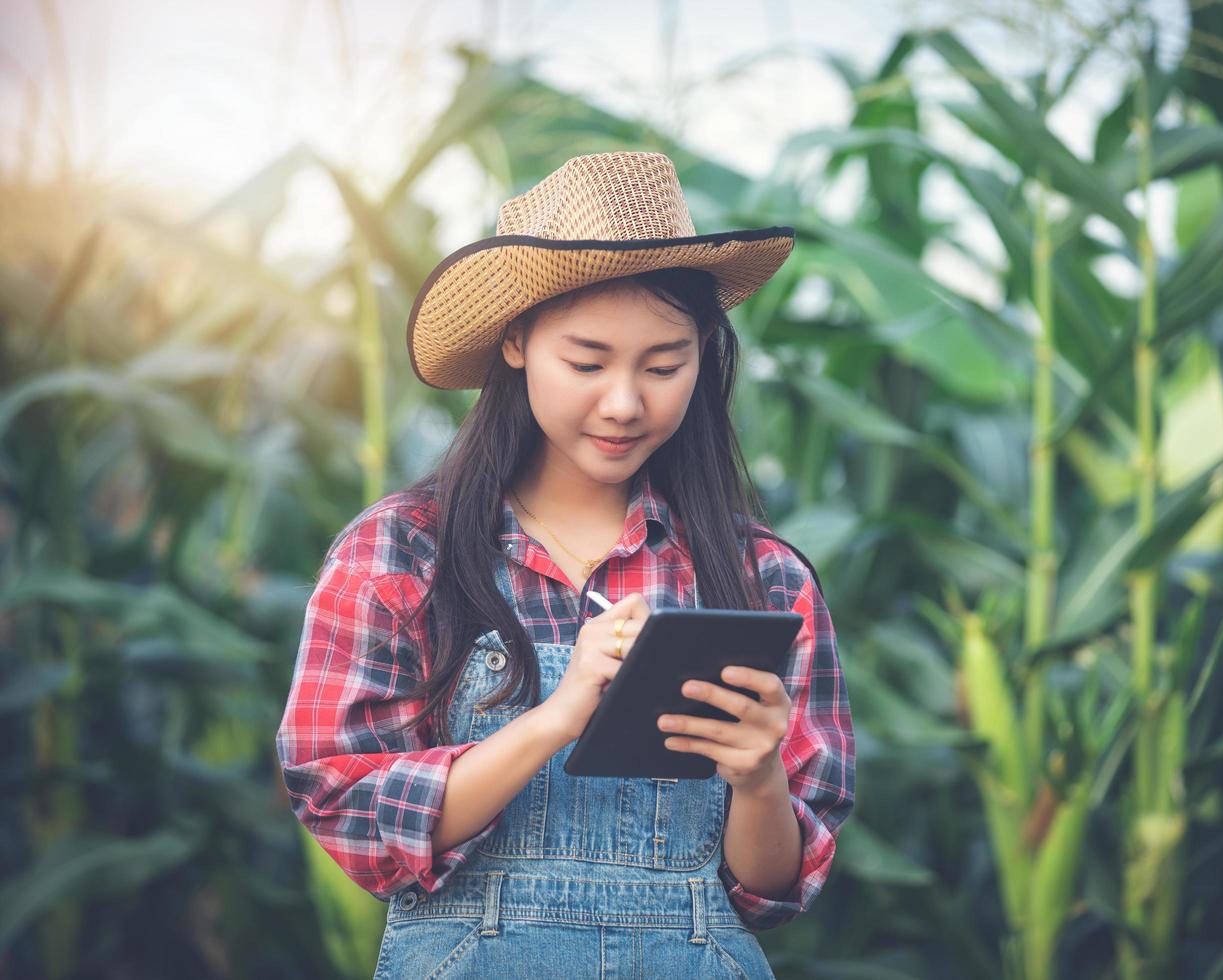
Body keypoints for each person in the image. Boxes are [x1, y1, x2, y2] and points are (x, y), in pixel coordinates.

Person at [275, 151, 855, 979]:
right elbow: (348, 810)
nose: (625, 402)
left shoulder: (764, 577)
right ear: (516, 341)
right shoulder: (400, 553)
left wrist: (759, 776)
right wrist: (555, 717)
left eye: (664, 366)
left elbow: (772, 892)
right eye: (587, 363)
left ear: (705, 357)